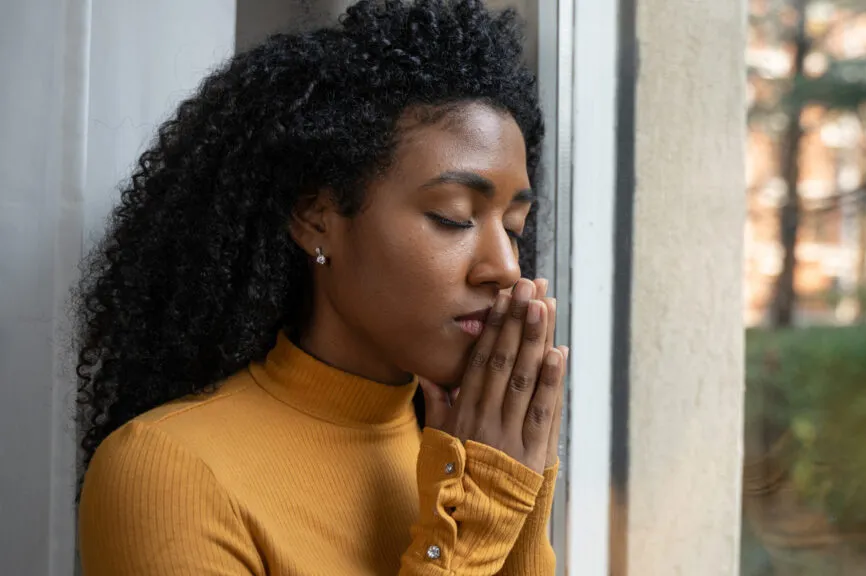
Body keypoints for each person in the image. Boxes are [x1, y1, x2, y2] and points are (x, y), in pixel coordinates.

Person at [74, 1, 567, 574]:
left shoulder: (474, 457)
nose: (506, 268)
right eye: (455, 216)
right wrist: (473, 524)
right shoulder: (168, 470)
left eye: (513, 228)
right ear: (315, 216)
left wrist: (516, 488)